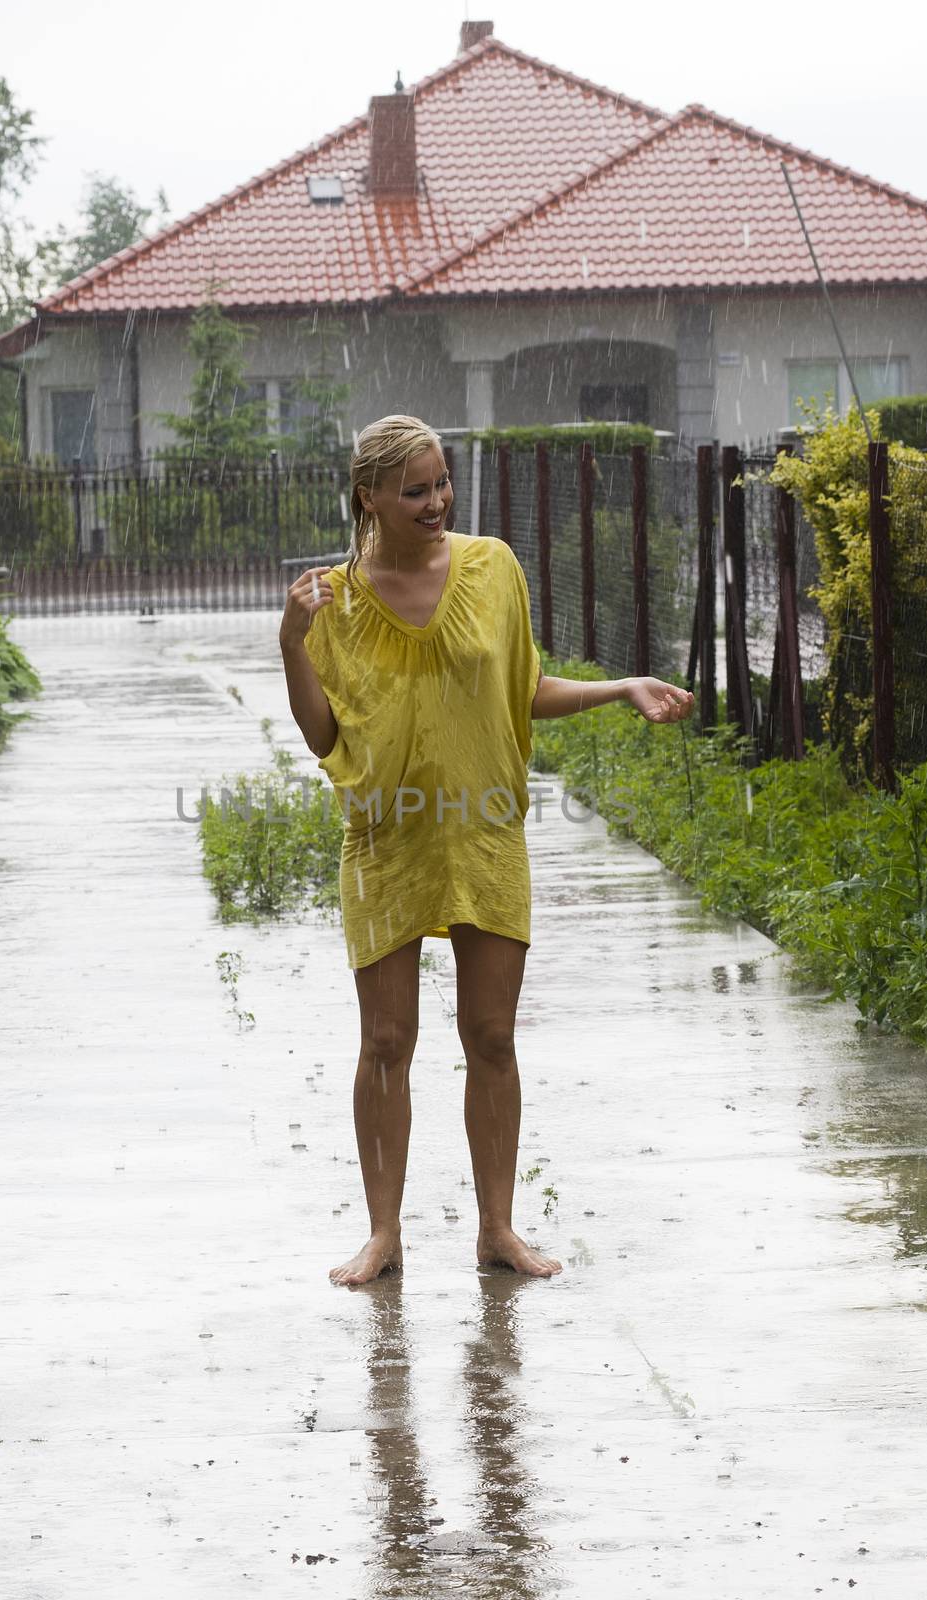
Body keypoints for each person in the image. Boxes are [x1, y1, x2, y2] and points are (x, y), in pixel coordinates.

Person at [278, 415, 694, 1287]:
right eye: (416, 490)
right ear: (370, 499)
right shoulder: (334, 601)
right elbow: (322, 735)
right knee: (386, 1043)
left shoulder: (492, 569)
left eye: (442, 483)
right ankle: (383, 1235)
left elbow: (522, 688)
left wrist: (621, 687)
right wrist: (291, 642)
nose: (437, 502)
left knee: (491, 1037)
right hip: (387, 838)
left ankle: (497, 1229)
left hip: (483, 832)